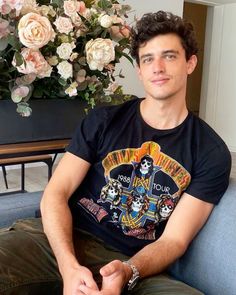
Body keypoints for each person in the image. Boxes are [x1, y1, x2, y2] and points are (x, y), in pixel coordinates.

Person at [0, 10, 231, 295]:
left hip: (136, 266)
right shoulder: (104, 120)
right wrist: (69, 267)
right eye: (148, 59)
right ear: (139, 70)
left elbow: (174, 241)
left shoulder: (211, 152)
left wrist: (128, 271)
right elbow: (56, 193)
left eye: (169, 56)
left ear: (190, 63)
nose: (157, 67)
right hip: (59, 242)